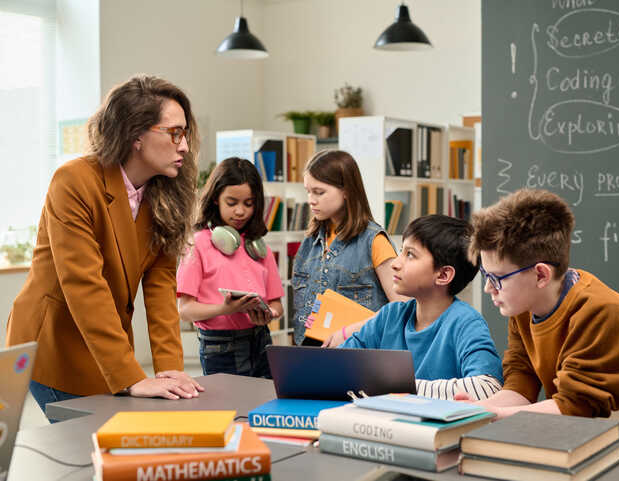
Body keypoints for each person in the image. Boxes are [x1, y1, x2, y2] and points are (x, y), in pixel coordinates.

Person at [461, 188, 619, 481]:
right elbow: (520, 385)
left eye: (497, 279)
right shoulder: (521, 309)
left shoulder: (600, 310)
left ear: (540, 274)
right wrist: (474, 411)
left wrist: (494, 417)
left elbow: (576, 407)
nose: (489, 289)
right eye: (486, 277)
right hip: (600, 425)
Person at [6, 74, 204, 419]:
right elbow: (84, 286)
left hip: (105, 343)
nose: (184, 146)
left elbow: (160, 287)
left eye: (185, 133)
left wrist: (171, 369)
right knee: (85, 452)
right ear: (135, 135)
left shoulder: (162, 194)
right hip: (55, 343)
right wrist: (131, 377)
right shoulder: (74, 181)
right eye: (175, 133)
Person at [339, 215, 503, 400]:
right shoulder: (390, 316)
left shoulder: (466, 322)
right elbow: (337, 367)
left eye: (410, 254)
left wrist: (398, 387)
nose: (395, 263)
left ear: (443, 275)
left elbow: (488, 387)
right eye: (401, 251)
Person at [177, 157, 284, 378]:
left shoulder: (257, 245)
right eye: (232, 202)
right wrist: (225, 309)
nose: (240, 212)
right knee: (231, 410)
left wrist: (269, 314)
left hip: (261, 339)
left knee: (265, 404)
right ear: (216, 198)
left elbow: (277, 304)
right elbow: (185, 311)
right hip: (220, 346)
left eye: (249, 203)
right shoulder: (198, 244)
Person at [292, 150, 406, 346]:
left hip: (359, 354)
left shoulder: (374, 241)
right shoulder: (309, 243)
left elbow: (402, 307)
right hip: (312, 354)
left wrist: (348, 332)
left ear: (346, 191)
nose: (311, 200)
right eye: (308, 191)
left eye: (319, 192)